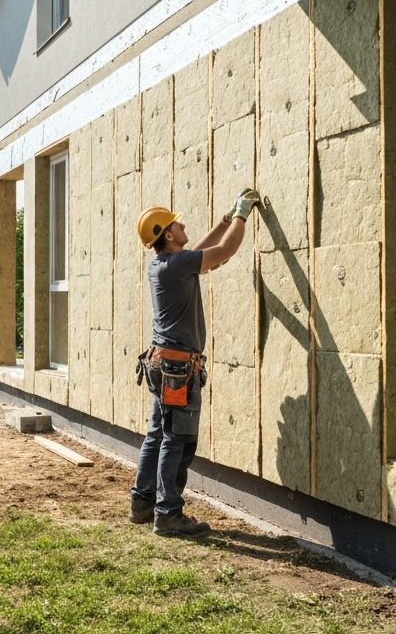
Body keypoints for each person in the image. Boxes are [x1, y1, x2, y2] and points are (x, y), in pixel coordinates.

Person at [130, 189, 260, 537]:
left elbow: (200, 251)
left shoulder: (164, 264)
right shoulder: (176, 265)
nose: (183, 224)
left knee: (158, 435)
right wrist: (242, 215)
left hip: (164, 366)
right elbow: (225, 251)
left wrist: (224, 219)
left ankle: (142, 503)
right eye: (176, 223)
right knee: (178, 440)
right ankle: (168, 514)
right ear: (168, 235)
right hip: (178, 372)